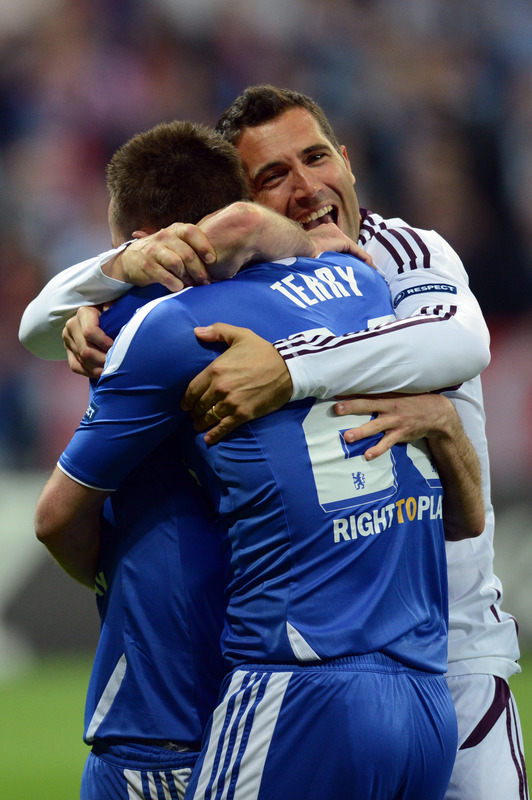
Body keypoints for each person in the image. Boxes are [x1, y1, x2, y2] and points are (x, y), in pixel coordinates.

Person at [19, 85, 527, 798]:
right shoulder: (315, 287)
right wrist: (114, 276)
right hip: (391, 678)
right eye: (273, 177)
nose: (307, 186)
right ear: (240, 204)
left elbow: (461, 342)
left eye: (316, 158)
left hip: (450, 657)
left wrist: (288, 370)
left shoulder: (398, 254)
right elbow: (40, 322)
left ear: (348, 161)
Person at [29, 120, 368, 800]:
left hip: (159, 716)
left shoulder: (139, 324)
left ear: (137, 236)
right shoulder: (349, 295)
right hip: (291, 696)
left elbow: (55, 521)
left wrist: (121, 579)